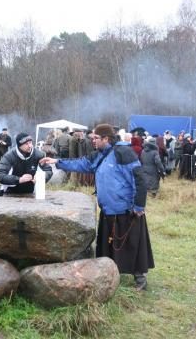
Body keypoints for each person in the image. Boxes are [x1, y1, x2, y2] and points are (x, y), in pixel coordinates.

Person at [40, 124, 154, 291]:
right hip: (108, 210)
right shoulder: (100, 155)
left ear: (106, 139)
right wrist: (57, 162)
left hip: (126, 211)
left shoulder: (124, 153)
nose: (92, 141)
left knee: (131, 245)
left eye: (95, 138)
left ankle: (140, 280)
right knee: (109, 247)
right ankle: (109, 275)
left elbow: (139, 179)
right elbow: (81, 164)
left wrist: (138, 205)